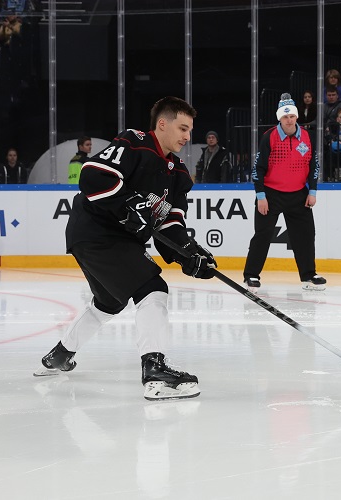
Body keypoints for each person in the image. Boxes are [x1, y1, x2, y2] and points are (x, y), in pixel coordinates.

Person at [33, 96, 216, 401]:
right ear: (162, 124)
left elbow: (169, 224)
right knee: (152, 288)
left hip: (107, 239)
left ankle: (60, 355)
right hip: (95, 231)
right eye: (182, 128)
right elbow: (92, 174)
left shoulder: (179, 175)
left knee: (109, 302)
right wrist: (126, 206)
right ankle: (155, 369)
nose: (187, 136)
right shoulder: (134, 142)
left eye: (189, 130)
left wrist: (189, 253)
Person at [244, 93, 326, 292]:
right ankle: (251, 275)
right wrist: (261, 197)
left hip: (299, 194)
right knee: (263, 234)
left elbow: (313, 166)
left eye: (292, 116)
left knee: (306, 235)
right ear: (279, 118)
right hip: (271, 195)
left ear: (296, 117)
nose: (289, 120)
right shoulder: (269, 137)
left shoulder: (307, 136)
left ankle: (308, 275)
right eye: (285, 117)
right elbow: (258, 169)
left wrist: (312, 191)